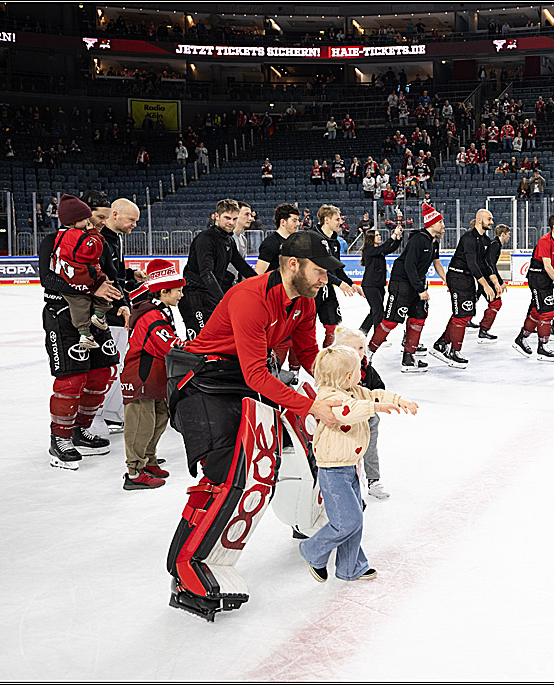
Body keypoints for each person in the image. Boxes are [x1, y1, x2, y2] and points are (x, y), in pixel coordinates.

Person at [165, 231, 346, 621]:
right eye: (319, 271)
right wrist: (313, 404)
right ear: (293, 265)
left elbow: (309, 354)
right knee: (227, 471)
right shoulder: (250, 296)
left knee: (281, 452)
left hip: (241, 380)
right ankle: (187, 572)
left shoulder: (304, 303)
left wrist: (340, 385)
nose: (324, 280)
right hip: (202, 381)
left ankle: (306, 517)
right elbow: (256, 374)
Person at [298, 346, 417, 583]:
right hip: (332, 471)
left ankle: (350, 567)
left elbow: (374, 394)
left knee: (355, 519)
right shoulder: (329, 397)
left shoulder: (352, 390)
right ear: (346, 376)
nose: (361, 374)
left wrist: (397, 400)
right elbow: (347, 412)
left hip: (348, 467)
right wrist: (375, 408)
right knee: (346, 521)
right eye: (356, 370)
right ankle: (312, 550)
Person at [39, 192, 122, 469]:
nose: (93, 224)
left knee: (102, 373)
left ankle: (80, 429)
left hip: (95, 316)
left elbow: (111, 275)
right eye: (91, 219)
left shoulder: (100, 243)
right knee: (71, 379)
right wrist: (89, 287)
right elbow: (47, 278)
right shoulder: (52, 241)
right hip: (62, 315)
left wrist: (121, 302)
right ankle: (59, 438)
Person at [120, 259, 185, 490]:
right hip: (141, 377)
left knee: (159, 418)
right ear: (164, 291)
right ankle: (135, 472)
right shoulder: (152, 316)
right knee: (141, 423)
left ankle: (148, 460)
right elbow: (170, 346)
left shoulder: (160, 310)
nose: (181, 295)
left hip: (154, 377)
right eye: (177, 290)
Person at [367, 202, 447, 373]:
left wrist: (446, 279)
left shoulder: (434, 242)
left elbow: (436, 262)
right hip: (402, 283)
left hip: (418, 283)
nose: (443, 227)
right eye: (441, 223)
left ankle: (408, 359)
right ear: (432, 223)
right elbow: (409, 265)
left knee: (418, 319)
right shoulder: (418, 239)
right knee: (391, 321)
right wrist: (420, 289)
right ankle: (368, 353)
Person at [95, 198, 146, 435]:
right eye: (131, 219)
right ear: (114, 214)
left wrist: (130, 273)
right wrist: (123, 304)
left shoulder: (117, 239)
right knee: (113, 365)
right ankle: (102, 414)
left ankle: (112, 414)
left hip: (118, 309)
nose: (135, 224)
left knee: (120, 363)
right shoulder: (102, 240)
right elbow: (105, 278)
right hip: (110, 312)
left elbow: (115, 271)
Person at [179, 199, 257, 340]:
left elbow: (242, 266)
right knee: (201, 340)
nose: (231, 223)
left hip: (211, 296)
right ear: (217, 216)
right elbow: (206, 273)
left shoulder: (229, 240)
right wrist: (222, 300)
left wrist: (264, 283)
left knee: (216, 340)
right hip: (195, 296)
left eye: (234, 219)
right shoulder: (206, 239)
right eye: (227, 218)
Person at [431, 209, 498, 368]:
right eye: (489, 219)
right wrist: (485, 285)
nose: (492, 222)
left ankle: (442, 343)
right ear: (480, 220)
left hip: (467, 278)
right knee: (462, 315)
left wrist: (495, 281)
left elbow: (485, 263)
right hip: (457, 277)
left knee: (465, 314)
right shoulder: (468, 238)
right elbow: (472, 264)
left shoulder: (484, 240)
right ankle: (454, 351)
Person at [331, 328, 391, 499]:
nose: (358, 353)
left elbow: (379, 389)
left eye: (361, 348)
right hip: (343, 421)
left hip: (368, 420)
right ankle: (345, 482)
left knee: (370, 449)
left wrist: (373, 403)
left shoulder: (366, 369)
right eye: (352, 349)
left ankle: (373, 480)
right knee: (346, 453)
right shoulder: (333, 372)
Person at [50, 194, 113, 351]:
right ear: (73, 221)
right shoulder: (77, 235)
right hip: (82, 276)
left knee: (79, 304)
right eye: (85, 219)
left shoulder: (59, 235)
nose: (88, 222)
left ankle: (85, 333)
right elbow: (93, 251)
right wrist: (94, 235)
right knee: (104, 284)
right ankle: (99, 316)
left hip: (66, 277)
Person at [512, 214, 554, 362]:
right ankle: (542, 348)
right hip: (537, 278)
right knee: (546, 312)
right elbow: (548, 266)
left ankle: (521, 339)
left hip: (546, 278)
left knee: (536, 310)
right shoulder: (545, 241)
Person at [313, 204, 363, 348]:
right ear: (326, 220)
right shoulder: (314, 238)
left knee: (333, 328)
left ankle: (328, 360)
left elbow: (337, 268)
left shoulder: (336, 242)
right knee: (306, 331)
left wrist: (351, 283)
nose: (340, 223)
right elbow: (317, 269)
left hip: (328, 290)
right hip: (311, 291)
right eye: (337, 219)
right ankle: (295, 368)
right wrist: (339, 284)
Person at [358, 226, 403, 336]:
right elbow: (383, 248)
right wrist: (393, 235)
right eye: (377, 235)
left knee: (374, 310)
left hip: (379, 285)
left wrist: (398, 237)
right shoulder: (369, 250)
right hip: (370, 285)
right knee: (378, 310)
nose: (379, 236)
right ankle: (378, 336)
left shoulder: (378, 251)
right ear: (371, 238)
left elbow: (391, 248)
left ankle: (362, 331)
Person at [474, 223, 511, 342]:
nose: (509, 237)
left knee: (474, 300)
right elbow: (490, 264)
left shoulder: (496, 244)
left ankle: (479, 326)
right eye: (508, 234)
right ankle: (483, 329)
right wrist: (499, 282)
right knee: (495, 303)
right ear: (503, 234)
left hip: (485, 278)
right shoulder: (494, 245)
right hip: (486, 279)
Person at [255, 204, 301, 274]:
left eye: (298, 220)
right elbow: (258, 274)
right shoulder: (270, 243)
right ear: (283, 222)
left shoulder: (294, 241)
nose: (298, 224)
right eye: (294, 221)